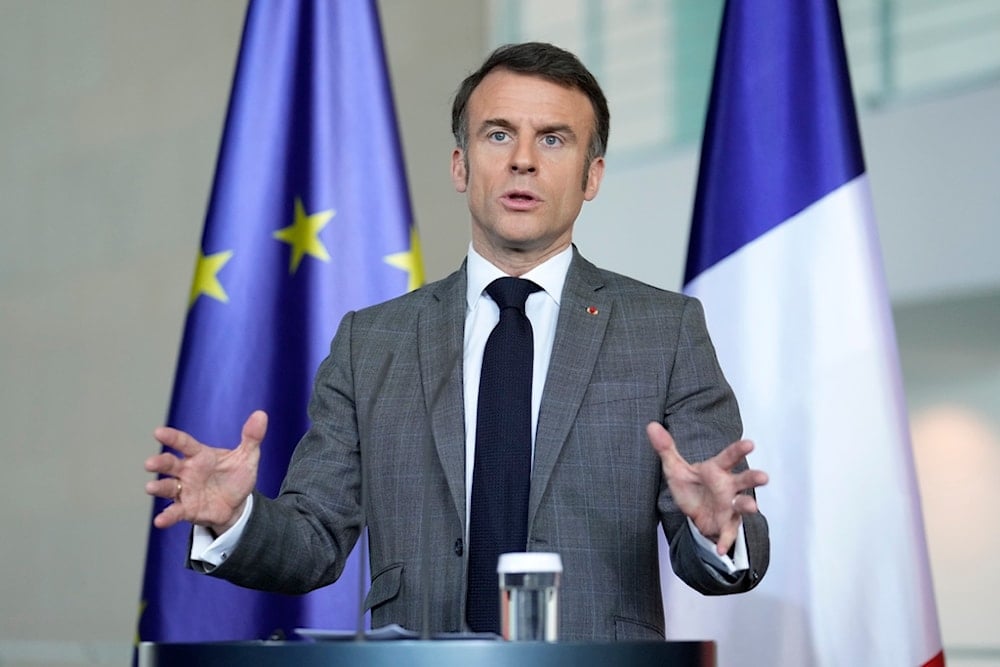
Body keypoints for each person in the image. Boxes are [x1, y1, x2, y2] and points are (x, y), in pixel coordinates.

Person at [145, 42, 769, 641]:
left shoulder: (664, 330)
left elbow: (716, 546)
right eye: (498, 134)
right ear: (460, 165)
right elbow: (313, 543)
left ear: (592, 176)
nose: (523, 159)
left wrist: (719, 529)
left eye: (553, 139)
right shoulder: (372, 342)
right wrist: (236, 518)